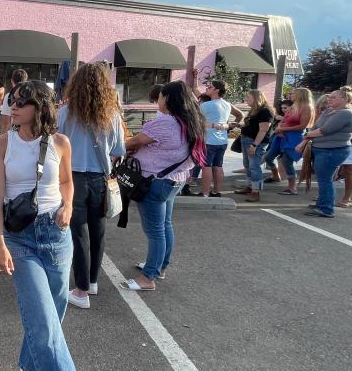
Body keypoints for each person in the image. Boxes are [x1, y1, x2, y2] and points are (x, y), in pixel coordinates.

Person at [0, 81, 107, 371]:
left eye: (20, 103)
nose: (13, 107)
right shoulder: (1, 144)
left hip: (56, 238)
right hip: (20, 239)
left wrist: (70, 205)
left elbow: (68, 182)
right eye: (13, 102)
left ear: (39, 107)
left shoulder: (60, 142)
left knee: (49, 322)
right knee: (45, 327)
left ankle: (29, 368)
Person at [122, 81, 203, 290]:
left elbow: (134, 141)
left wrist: (116, 148)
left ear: (167, 98)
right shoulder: (190, 121)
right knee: (165, 225)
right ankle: (160, 267)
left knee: (155, 230)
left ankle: (148, 278)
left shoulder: (166, 123)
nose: (158, 100)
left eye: (160, 96)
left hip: (154, 182)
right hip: (174, 179)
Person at [58, 63, 126, 307]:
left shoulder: (65, 113)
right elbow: (119, 150)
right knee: (98, 231)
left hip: (72, 178)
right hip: (100, 178)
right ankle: (93, 282)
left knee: (78, 233)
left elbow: (54, 146)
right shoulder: (112, 114)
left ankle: (81, 290)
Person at [295, 88, 352, 218]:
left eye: (333, 97)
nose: (329, 99)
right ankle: (322, 203)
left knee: (325, 180)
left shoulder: (346, 113)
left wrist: (307, 135)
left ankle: (326, 208)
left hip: (333, 151)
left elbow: (324, 130)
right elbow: (315, 127)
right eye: (330, 97)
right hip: (322, 149)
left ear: (344, 99)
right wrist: (305, 141)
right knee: (323, 179)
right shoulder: (329, 111)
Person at [269, 88, 313, 196]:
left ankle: (292, 187)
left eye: (292, 93)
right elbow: (283, 120)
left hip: (294, 137)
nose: (290, 95)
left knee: (287, 161)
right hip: (282, 135)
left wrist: (283, 129)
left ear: (300, 95)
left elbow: (302, 126)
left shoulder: (306, 107)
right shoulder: (292, 106)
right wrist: (279, 128)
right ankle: (284, 181)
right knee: (271, 157)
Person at [198, 80, 235, 198]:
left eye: (210, 87)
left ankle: (205, 193)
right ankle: (216, 191)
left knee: (206, 166)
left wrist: (211, 125)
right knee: (218, 166)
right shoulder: (227, 104)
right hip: (222, 140)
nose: (207, 88)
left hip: (209, 140)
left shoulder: (206, 105)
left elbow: (197, 122)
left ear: (217, 90)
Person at [237, 90, 274, 203]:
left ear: (256, 98)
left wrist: (254, 145)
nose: (246, 99)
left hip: (255, 142)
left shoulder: (265, 111)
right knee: (247, 164)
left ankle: (255, 191)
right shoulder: (255, 110)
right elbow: (252, 125)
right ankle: (250, 187)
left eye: (248, 97)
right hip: (247, 139)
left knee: (254, 166)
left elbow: (263, 130)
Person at [263, 99, 293, 184]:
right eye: (282, 108)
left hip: (287, 142)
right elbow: (276, 129)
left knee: (286, 162)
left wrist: (282, 120)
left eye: (285, 108)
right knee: (268, 158)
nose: (283, 109)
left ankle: (291, 185)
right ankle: (276, 176)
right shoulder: (280, 116)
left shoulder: (293, 117)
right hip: (276, 140)